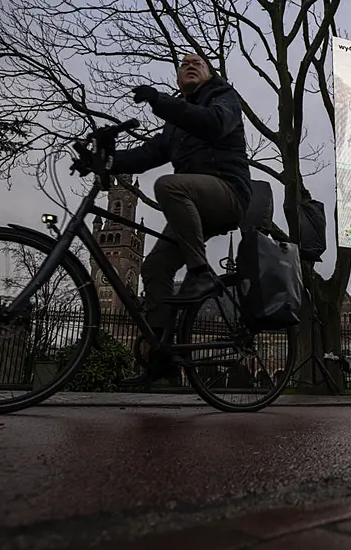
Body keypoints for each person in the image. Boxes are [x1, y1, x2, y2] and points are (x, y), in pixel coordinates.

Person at [74, 54, 251, 379]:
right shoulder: (175, 126)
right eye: (184, 64)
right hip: (192, 205)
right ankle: (161, 354)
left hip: (228, 194)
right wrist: (106, 161)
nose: (190, 64)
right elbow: (149, 154)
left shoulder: (223, 98)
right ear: (178, 79)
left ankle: (200, 273)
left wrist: (161, 102)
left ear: (210, 74)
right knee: (154, 267)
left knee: (167, 185)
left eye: (198, 62)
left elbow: (211, 123)